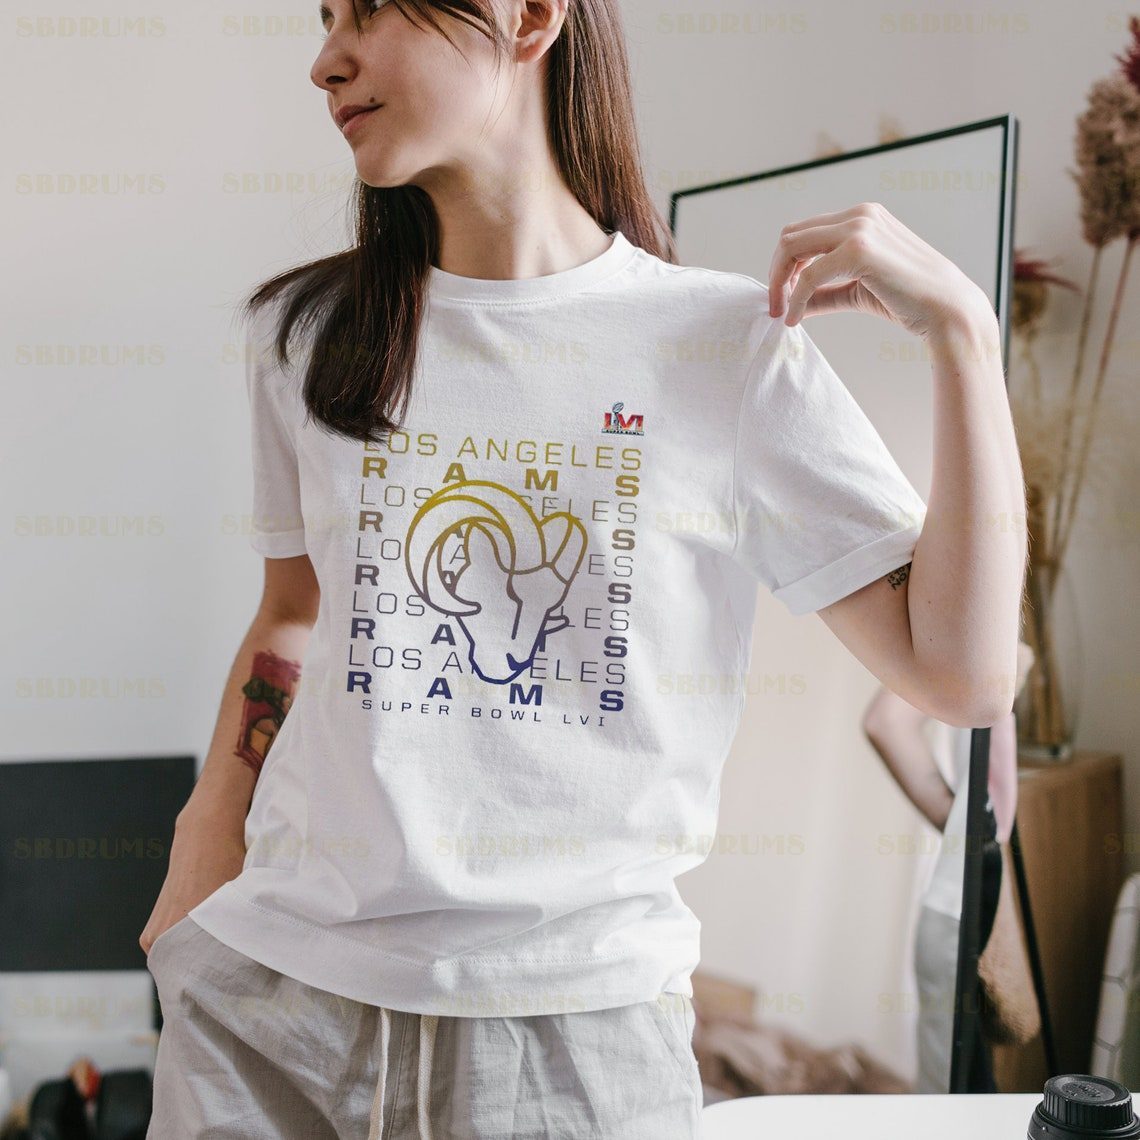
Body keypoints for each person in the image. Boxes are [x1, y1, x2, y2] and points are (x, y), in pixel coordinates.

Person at [138, 0, 1026, 1136]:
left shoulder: (724, 350)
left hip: (574, 1033)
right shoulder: (305, 336)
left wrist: (964, 336)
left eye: (372, 8)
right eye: (324, 18)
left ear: (531, 17)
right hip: (274, 1008)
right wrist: (203, 844)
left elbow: (963, 675)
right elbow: (293, 613)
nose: (326, 60)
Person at [862, 641, 1034, 1093]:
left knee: (963, 1089)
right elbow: (886, 723)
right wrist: (969, 827)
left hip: (969, 888)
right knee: (953, 1095)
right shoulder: (982, 636)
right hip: (962, 899)